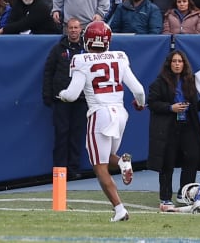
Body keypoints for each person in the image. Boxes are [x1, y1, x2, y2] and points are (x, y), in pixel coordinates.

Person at [56, 21, 145, 222]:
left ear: (87, 39)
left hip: (99, 113)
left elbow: (72, 95)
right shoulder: (120, 57)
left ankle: (119, 209)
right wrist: (140, 104)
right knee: (108, 157)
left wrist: (61, 94)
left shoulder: (81, 59)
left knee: (99, 166)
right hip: (120, 113)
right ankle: (123, 162)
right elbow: (138, 90)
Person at [148, 50, 200, 210]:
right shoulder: (159, 82)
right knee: (167, 162)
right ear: (169, 64)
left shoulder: (189, 81)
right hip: (168, 127)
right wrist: (171, 108)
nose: (177, 64)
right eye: (174, 61)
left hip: (187, 125)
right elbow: (153, 103)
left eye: (180, 61)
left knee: (192, 156)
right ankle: (165, 197)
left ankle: (184, 192)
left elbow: (194, 107)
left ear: (184, 64)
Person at [42, 18, 86, 180]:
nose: (73, 31)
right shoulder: (57, 49)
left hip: (81, 100)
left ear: (81, 29)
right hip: (61, 100)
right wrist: (47, 95)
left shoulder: (87, 49)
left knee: (76, 135)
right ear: (67, 30)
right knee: (61, 135)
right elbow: (48, 72)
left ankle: (74, 169)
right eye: (71, 28)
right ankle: (59, 170)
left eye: (76, 28)